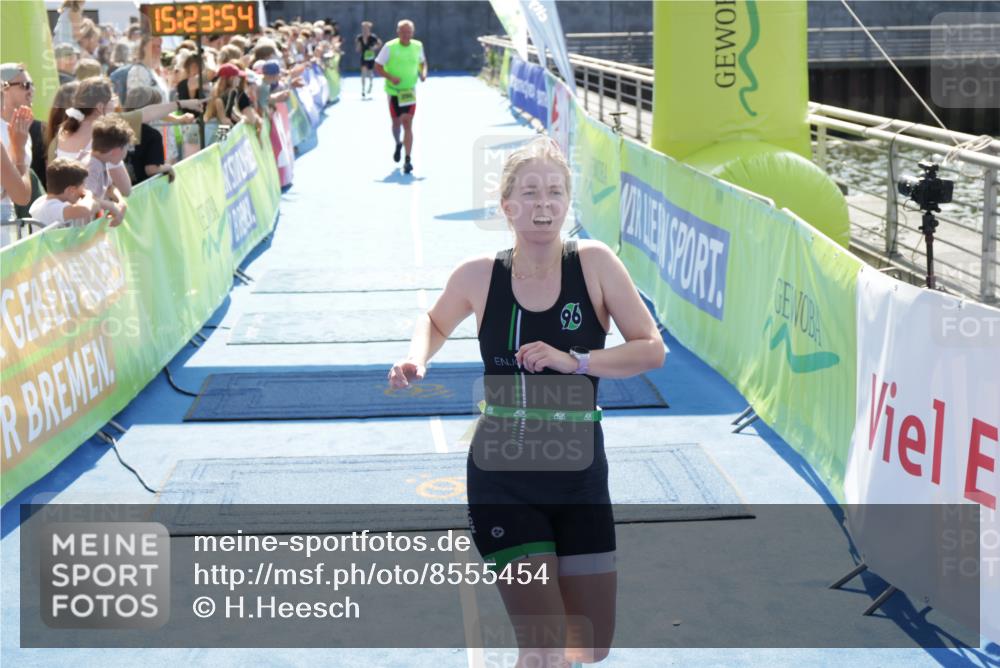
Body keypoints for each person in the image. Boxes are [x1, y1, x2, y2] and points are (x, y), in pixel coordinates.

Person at [387, 137, 666, 666]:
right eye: (531, 193)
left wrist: (576, 361)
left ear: (568, 201)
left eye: (555, 192)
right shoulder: (477, 274)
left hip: (580, 475)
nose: (544, 204)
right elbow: (433, 320)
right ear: (507, 205)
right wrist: (416, 359)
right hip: (503, 476)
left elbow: (651, 351)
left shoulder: (596, 264)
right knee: (542, 648)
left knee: (588, 647)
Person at [374, 19, 426, 174]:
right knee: (396, 123)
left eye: (409, 32)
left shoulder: (418, 46)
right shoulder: (389, 47)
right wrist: (390, 77)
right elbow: (378, 66)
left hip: (409, 92)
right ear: (398, 32)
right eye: (403, 32)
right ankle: (398, 143)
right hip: (394, 92)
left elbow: (423, 62)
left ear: (413, 32)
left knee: (407, 123)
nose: (406, 35)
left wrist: (423, 73)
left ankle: (408, 159)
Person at [29, 157, 116, 228]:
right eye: (83, 186)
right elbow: (86, 209)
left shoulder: (43, 202)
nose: (84, 190)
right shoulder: (52, 209)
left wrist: (110, 206)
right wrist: (88, 194)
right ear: (70, 190)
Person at [84, 115, 133, 223]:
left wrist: (120, 202)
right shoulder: (92, 166)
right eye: (126, 148)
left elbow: (110, 187)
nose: (126, 153)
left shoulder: (102, 160)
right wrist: (111, 206)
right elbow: (86, 198)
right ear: (115, 151)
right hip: (80, 230)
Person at [123, 86, 176, 184]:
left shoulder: (119, 128)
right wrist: (168, 167)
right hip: (142, 190)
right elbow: (151, 169)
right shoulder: (153, 135)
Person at [356, 21, 382, 100]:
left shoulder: (373, 37)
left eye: (366, 28)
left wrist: (374, 48)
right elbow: (358, 48)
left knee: (370, 73)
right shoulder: (359, 37)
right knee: (363, 73)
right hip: (364, 57)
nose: (365, 30)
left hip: (370, 57)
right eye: (364, 28)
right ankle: (363, 89)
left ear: (369, 29)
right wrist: (358, 48)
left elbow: (379, 44)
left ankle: (370, 84)